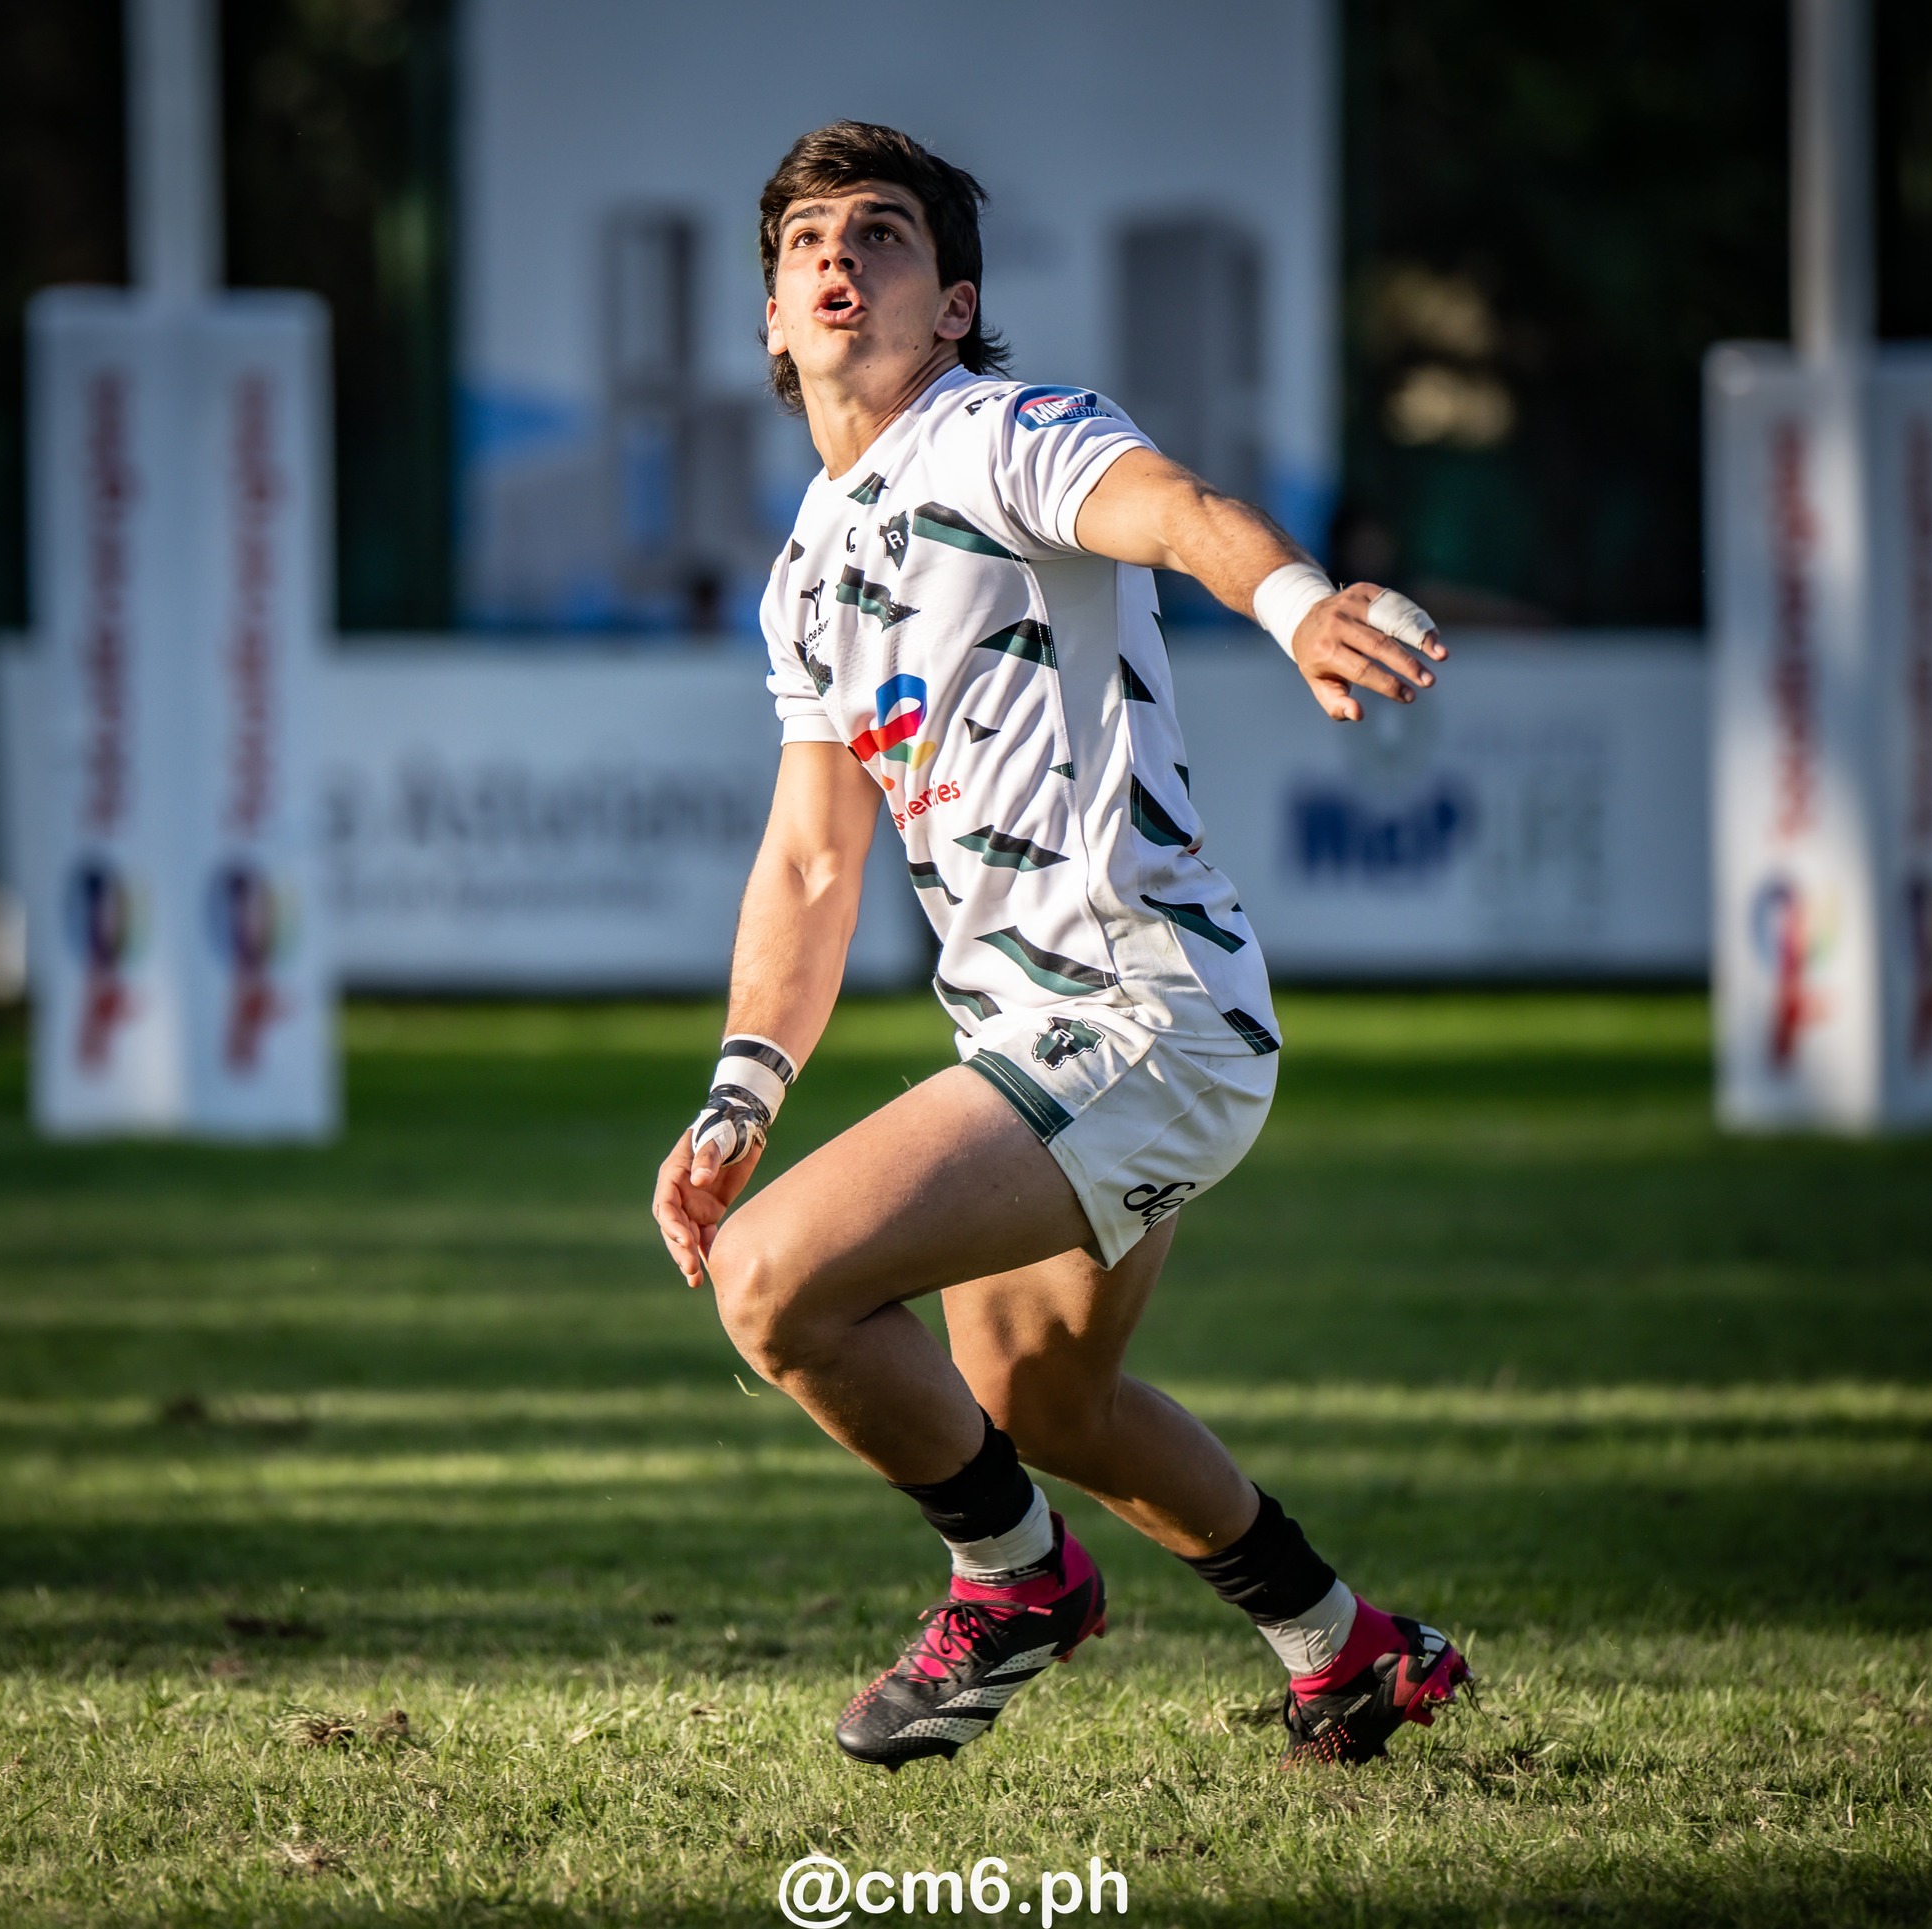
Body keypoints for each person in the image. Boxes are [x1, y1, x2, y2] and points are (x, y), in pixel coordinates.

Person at [652, 121, 1469, 1772]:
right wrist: (743, 1088)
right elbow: (813, 860)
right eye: (806, 241)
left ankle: (1016, 1579)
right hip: (1049, 1033)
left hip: (1137, 1011)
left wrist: (1294, 599)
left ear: (953, 305)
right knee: (1042, 1397)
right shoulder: (807, 569)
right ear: (770, 319)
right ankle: (1344, 1646)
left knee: (774, 1280)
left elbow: (1174, 509)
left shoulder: (999, 430)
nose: (835, 257)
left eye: (881, 233)